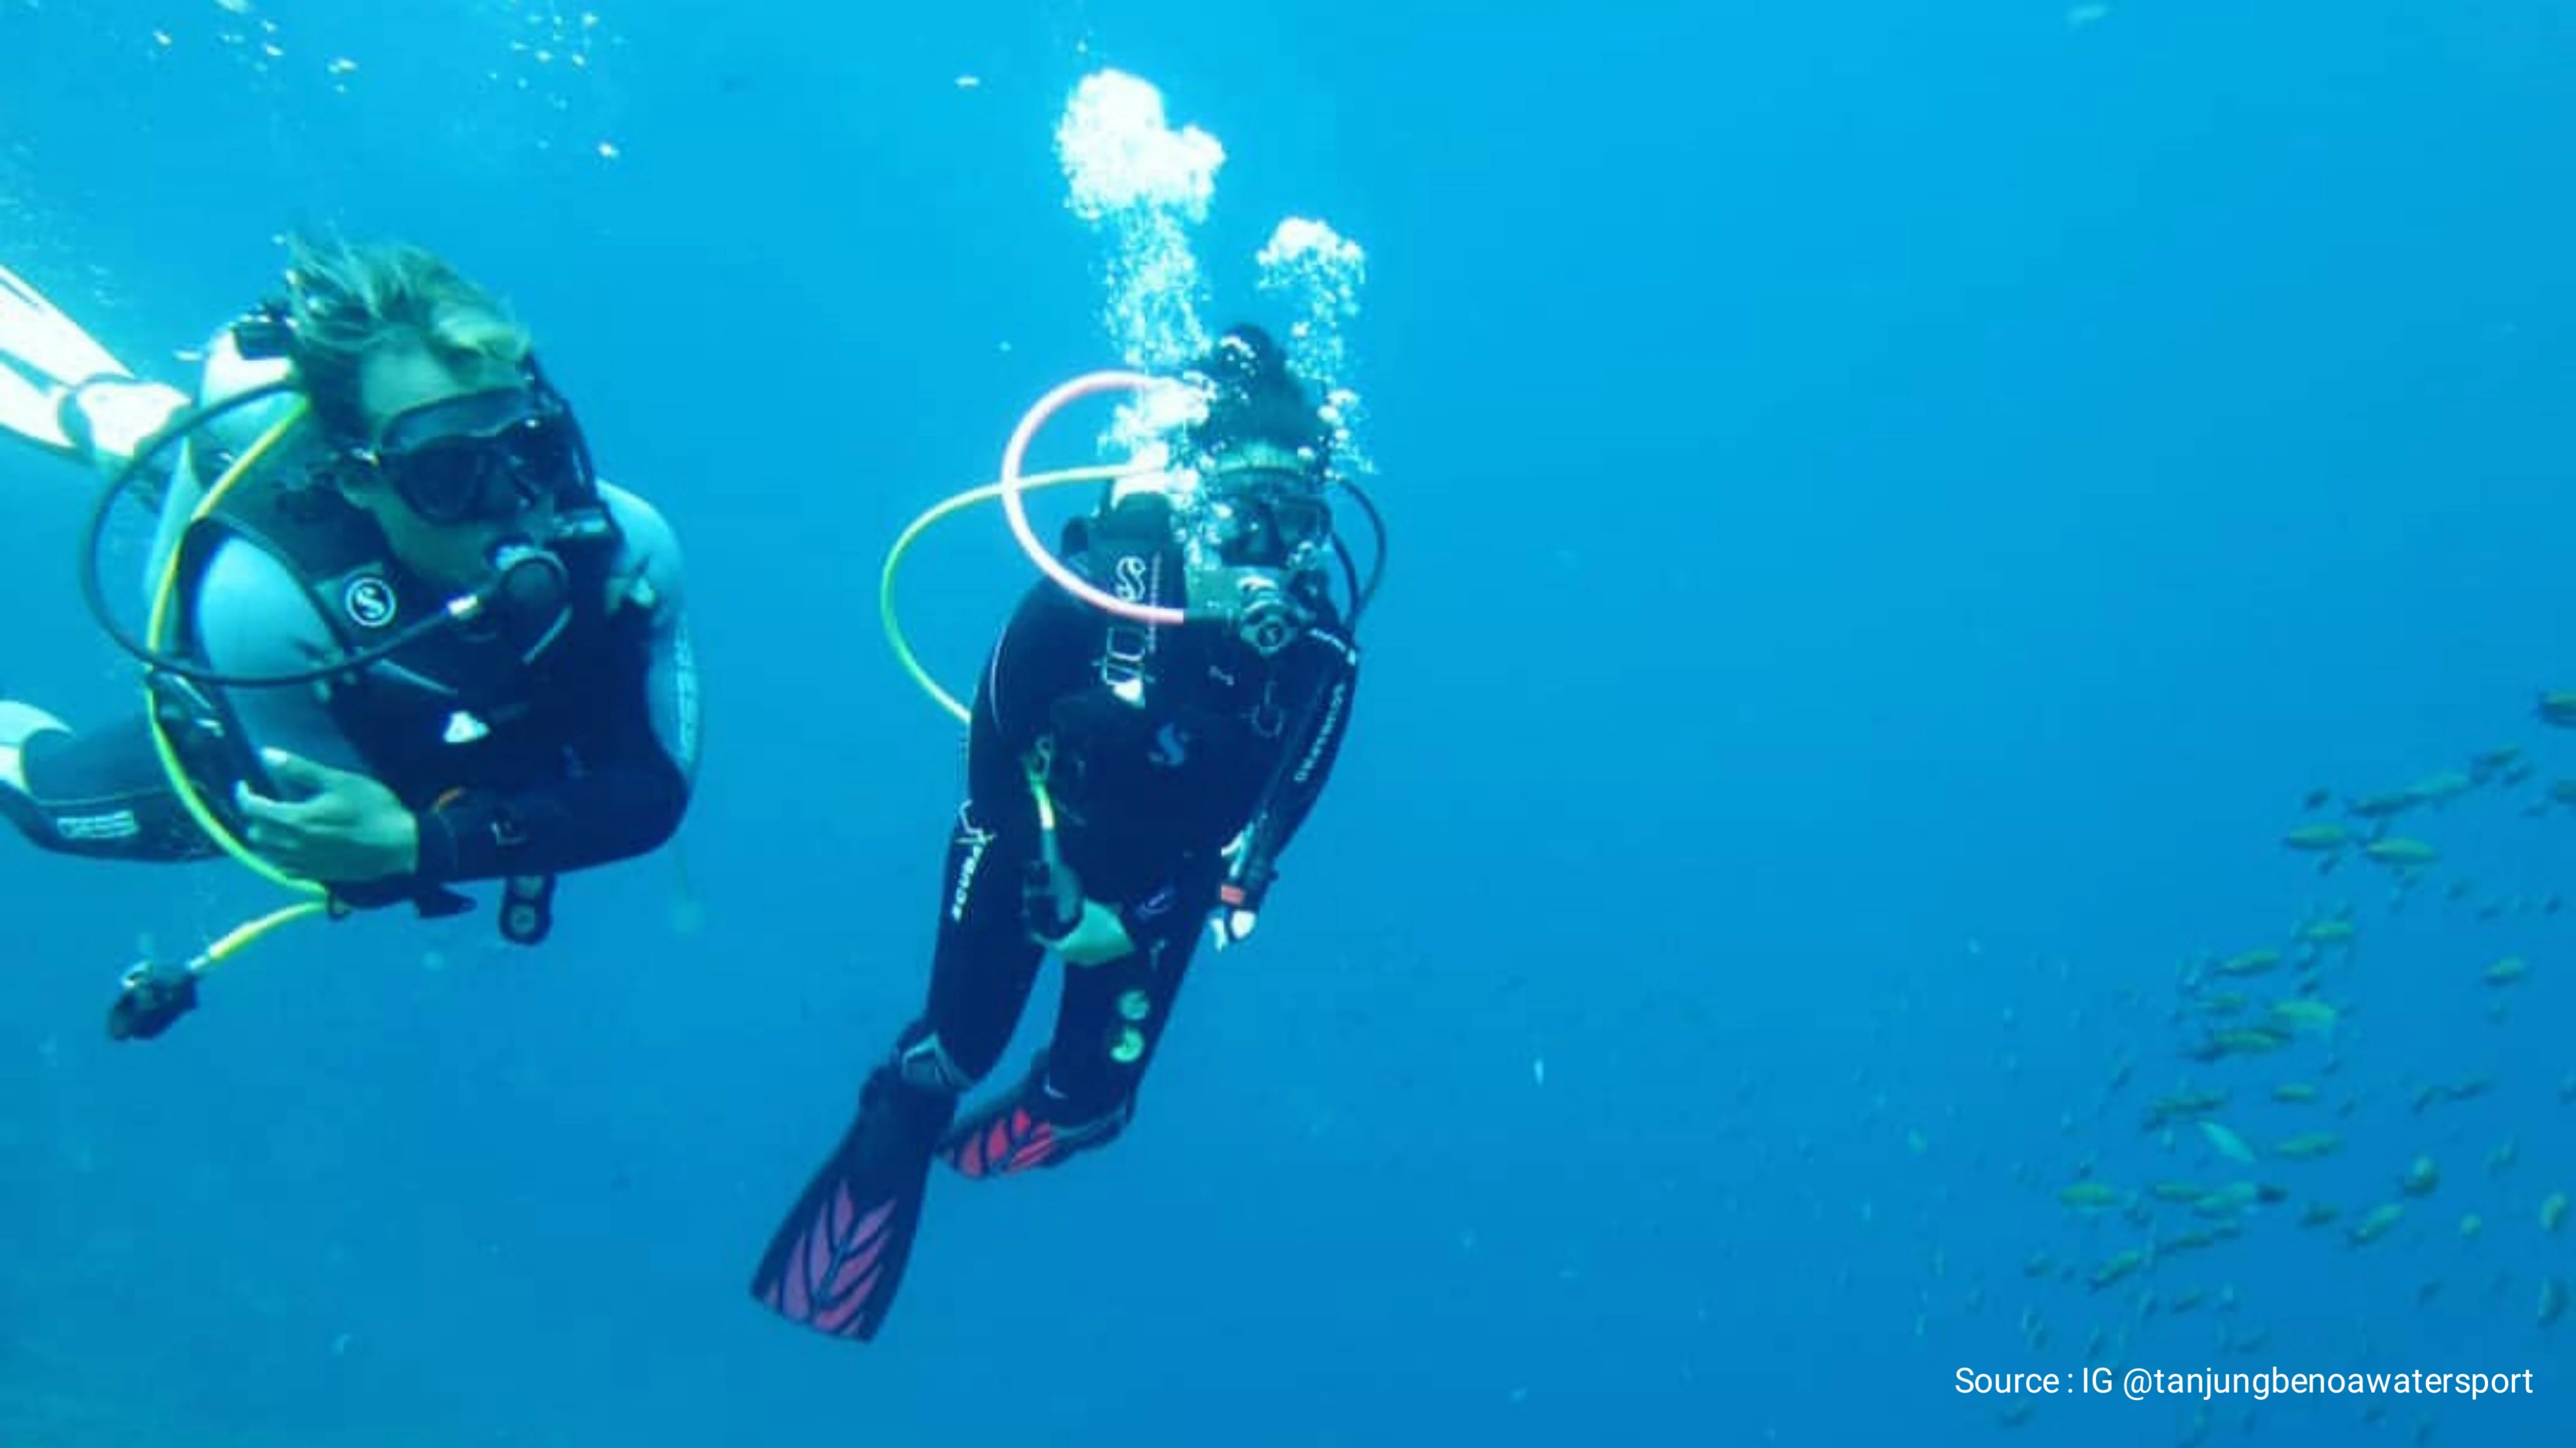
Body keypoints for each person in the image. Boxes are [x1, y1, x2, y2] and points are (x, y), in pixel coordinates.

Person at [750, 323, 1366, 1342]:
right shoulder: (1097, 593)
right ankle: (906, 1119)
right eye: (1245, 514)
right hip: (1029, 855)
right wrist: (1049, 876)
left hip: (1158, 885)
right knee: (954, 1051)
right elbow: (992, 757)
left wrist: (1178, 902)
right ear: (1201, 499)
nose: (1267, 548)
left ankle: (1035, 1116)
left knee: (1091, 1108)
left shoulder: (1318, 653)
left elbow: (1275, 812)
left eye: (1294, 521)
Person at [0, 236, 700, 1038]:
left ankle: (179, 437)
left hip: (452, 754)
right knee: (49, 808)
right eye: (449, 472)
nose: (511, 501)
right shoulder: (264, 601)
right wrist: (420, 844)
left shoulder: (628, 549)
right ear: (360, 478)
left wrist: (424, 840)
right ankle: (133, 423)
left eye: (529, 450)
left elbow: (652, 794)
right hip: (279, 708)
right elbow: (340, 858)